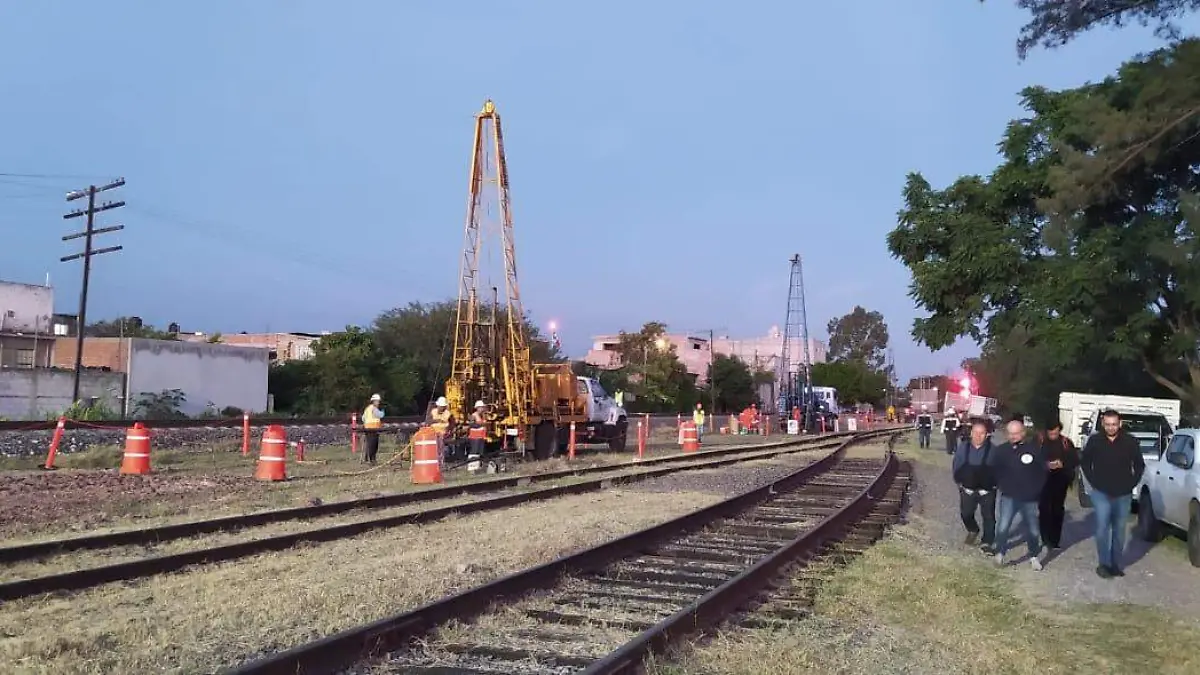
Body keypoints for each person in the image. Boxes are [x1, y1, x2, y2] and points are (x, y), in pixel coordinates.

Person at [1080, 409, 1145, 578]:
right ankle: (1104, 564)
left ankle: (1115, 564)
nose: (1111, 428)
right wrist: (1094, 482)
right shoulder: (1095, 441)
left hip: (1123, 493)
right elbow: (1085, 462)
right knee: (1102, 528)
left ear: (1120, 423)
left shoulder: (1129, 441)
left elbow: (1139, 465)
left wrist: (1131, 483)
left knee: (1119, 529)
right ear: (1102, 424)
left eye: (1114, 424)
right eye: (1107, 424)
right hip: (1101, 492)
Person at [993, 419, 1049, 570]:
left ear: (1023, 433)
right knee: (1003, 526)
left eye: (1016, 433)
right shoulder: (1001, 451)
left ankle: (1033, 556)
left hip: (1030, 499)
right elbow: (995, 471)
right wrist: (1002, 485)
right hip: (1009, 496)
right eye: (1010, 434)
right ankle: (1000, 553)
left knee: (1033, 529)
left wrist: (1037, 490)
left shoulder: (1034, 449)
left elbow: (1043, 471)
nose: (1013, 436)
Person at [952, 419, 998, 551]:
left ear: (987, 434)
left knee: (988, 516)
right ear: (971, 433)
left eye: (982, 433)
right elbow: (956, 466)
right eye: (976, 433)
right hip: (968, 489)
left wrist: (994, 485)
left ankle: (987, 541)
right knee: (966, 513)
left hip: (987, 491)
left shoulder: (993, 450)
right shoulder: (963, 448)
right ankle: (973, 529)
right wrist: (959, 484)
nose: (978, 436)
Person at [1039, 421, 1079, 550]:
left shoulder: (1066, 443)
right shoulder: (1039, 441)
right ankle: (1045, 538)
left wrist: (1062, 463)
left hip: (1061, 480)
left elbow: (1075, 460)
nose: (1053, 435)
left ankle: (1054, 540)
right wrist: (1045, 465)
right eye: (1051, 433)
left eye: (1055, 432)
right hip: (1043, 480)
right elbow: (1031, 458)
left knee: (1057, 509)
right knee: (1044, 509)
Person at [361, 393, 384, 465]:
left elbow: (363, 418)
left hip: (368, 429)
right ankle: (372, 460)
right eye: (377, 401)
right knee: (373, 445)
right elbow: (380, 415)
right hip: (373, 429)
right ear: (373, 401)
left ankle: (368, 459)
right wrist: (383, 411)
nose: (378, 403)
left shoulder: (367, 409)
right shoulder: (374, 409)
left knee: (369, 444)